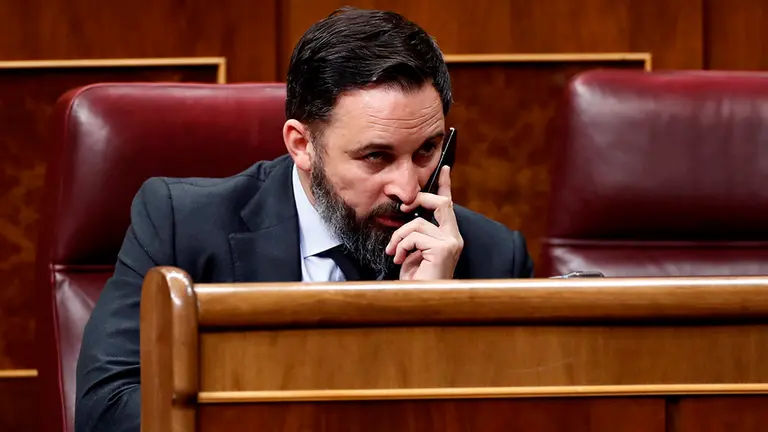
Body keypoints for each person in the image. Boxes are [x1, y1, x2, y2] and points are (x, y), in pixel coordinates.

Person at [74, 7, 534, 432]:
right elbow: (107, 410)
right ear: (301, 145)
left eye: (427, 151)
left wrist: (432, 317)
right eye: (376, 156)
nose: (408, 188)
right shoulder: (182, 225)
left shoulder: (492, 257)